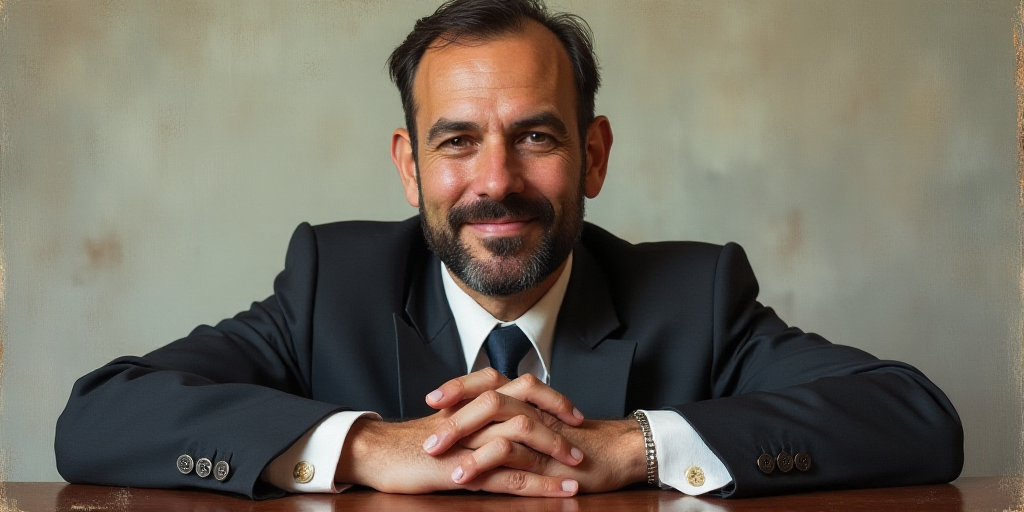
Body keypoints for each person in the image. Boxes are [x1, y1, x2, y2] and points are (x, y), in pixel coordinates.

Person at [54, 0, 963, 501]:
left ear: (594, 154)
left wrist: (638, 449)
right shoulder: (333, 285)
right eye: (456, 143)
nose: (496, 181)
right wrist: (366, 448)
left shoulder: (696, 294)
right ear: (409, 169)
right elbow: (98, 418)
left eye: (535, 137)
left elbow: (917, 419)